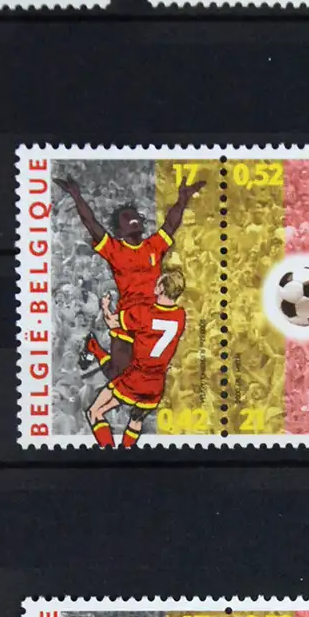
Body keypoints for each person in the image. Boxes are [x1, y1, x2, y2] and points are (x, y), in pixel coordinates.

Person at [57, 168, 206, 332]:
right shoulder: (114, 250)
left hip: (152, 318)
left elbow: (171, 224)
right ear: (119, 232)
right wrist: (77, 197)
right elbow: (91, 223)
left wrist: (182, 201)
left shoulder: (154, 245)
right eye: (125, 217)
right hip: (126, 319)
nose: (132, 218)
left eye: (134, 215)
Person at [84, 266, 188, 450]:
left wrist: (105, 306)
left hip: (135, 378)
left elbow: (112, 323)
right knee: (136, 420)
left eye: (158, 283)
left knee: (95, 411)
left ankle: (108, 455)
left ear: (161, 289)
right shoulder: (180, 316)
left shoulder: (143, 313)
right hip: (156, 384)